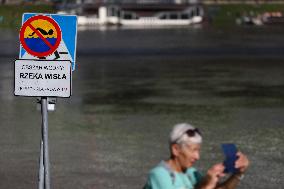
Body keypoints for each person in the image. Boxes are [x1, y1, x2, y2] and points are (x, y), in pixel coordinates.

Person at [143, 123, 249, 189]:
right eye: (193, 150)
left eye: (198, 150)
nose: (198, 157)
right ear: (176, 149)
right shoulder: (159, 174)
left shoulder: (191, 172)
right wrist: (207, 186)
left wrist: (238, 173)